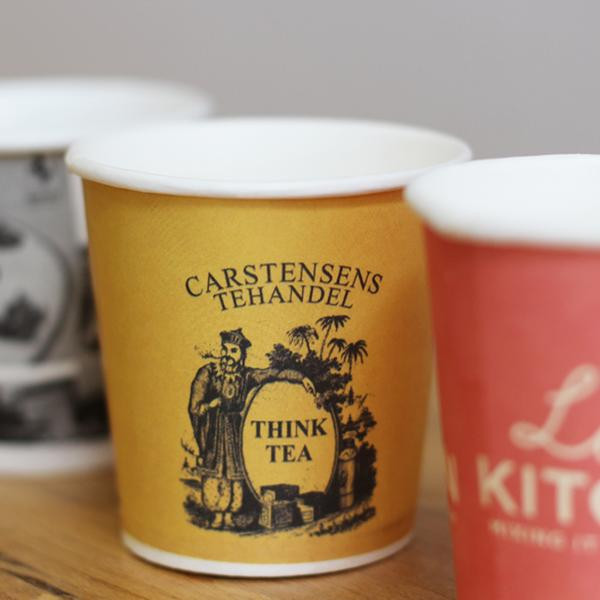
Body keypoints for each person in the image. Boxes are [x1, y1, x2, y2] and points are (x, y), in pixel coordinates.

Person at [188, 328, 316, 529]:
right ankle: (216, 514)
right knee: (214, 472)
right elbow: (195, 407)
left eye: (234, 351)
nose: (228, 355)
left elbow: (272, 374)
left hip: (235, 431)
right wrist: (210, 406)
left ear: (241, 355)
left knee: (235, 473)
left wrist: (301, 378)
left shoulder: (246, 376)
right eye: (225, 349)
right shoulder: (208, 373)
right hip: (214, 431)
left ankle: (230, 516)